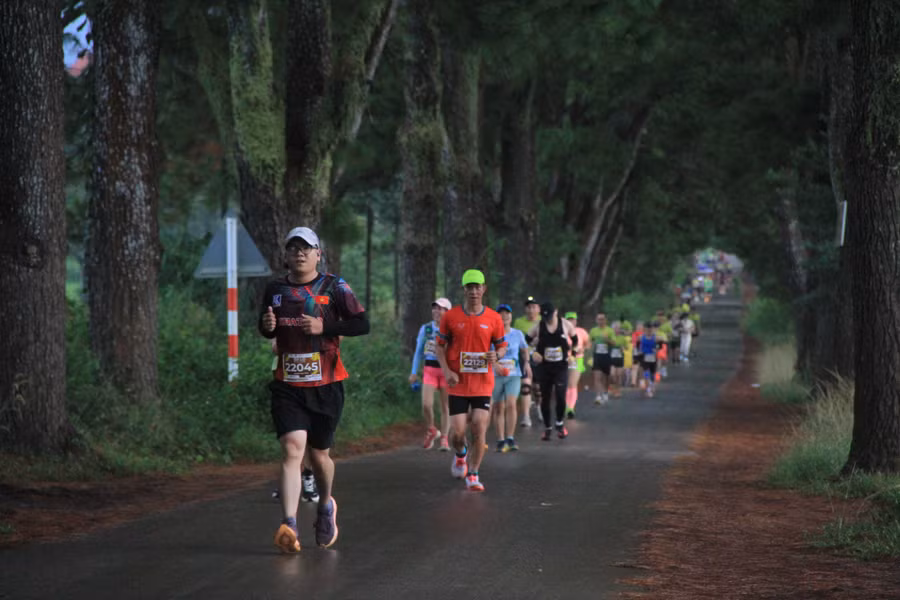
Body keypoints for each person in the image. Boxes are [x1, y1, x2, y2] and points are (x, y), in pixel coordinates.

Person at [260, 226, 370, 553]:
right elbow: (267, 328)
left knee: (320, 455)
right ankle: (289, 524)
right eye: (293, 248)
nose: (299, 253)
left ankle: (325, 505)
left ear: (318, 253)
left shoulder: (334, 287)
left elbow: (362, 325)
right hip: (288, 384)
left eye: (306, 248)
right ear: (286, 254)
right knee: (293, 448)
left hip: (327, 383)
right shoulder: (275, 289)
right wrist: (266, 329)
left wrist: (327, 326)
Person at [436, 269, 507, 492]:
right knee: (457, 433)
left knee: (478, 426)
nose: (474, 291)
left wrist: (498, 355)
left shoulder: (494, 318)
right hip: (457, 384)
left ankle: (473, 474)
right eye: (470, 287)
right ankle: (460, 454)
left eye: (478, 287)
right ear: (464, 290)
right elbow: (439, 346)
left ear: (484, 289)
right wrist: (447, 371)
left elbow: (502, 346)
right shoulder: (450, 317)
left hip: (482, 384)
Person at [528, 303, 577, 441]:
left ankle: (560, 424)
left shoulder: (566, 324)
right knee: (546, 397)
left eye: (549, 316)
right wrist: (533, 353)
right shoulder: (539, 325)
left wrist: (572, 353)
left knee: (561, 395)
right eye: (545, 317)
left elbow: (575, 340)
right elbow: (526, 340)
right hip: (545, 367)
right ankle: (548, 427)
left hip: (561, 366)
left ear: (556, 312)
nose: (547, 319)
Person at [409, 298, 453, 451]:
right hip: (429, 370)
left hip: (446, 371)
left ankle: (445, 438)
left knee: (445, 406)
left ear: (448, 312)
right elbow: (418, 352)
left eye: (441, 309)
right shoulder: (426, 328)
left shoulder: (452, 329)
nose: (437, 311)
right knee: (426, 404)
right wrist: (414, 372)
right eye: (435, 308)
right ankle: (432, 429)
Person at [491, 304, 531, 452]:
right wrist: (495, 365)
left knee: (511, 404)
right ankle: (501, 440)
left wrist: (526, 363)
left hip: (513, 374)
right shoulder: (492, 334)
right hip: (496, 375)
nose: (504, 316)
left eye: (507, 313)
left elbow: (525, 349)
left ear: (511, 316)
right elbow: (488, 353)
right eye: (501, 314)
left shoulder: (517, 334)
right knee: (498, 407)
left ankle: (510, 438)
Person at [513, 297, 541, 427]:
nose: (531, 310)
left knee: (538, 388)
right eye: (528, 307)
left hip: (539, 358)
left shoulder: (543, 321)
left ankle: (540, 407)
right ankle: (526, 416)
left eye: (533, 307)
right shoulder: (518, 322)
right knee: (526, 386)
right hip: (524, 358)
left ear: (538, 309)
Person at [564, 312, 590, 418]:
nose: (571, 322)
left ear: (576, 321)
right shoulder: (562, 332)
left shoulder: (581, 331)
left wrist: (582, 349)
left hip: (577, 359)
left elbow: (588, 343)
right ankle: (565, 405)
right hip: (563, 359)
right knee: (564, 383)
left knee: (572, 383)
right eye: (568, 320)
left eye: (573, 320)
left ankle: (570, 408)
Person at [590, 312, 615, 405]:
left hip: (606, 356)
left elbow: (614, 343)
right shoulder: (593, 331)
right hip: (597, 356)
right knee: (597, 376)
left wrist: (607, 339)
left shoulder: (609, 330)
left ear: (605, 320)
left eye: (602, 319)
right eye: (599, 319)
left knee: (606, 377)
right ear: (596, 320)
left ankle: (605, 392)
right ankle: (598, 396)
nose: (600, 321)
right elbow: (590, 342)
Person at [639, 322, 659, 397]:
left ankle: (652, 385)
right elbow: (639, 346)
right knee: (646, 373)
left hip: (653, 357)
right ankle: (648, 390)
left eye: (650, 330)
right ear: (645, 330)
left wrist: (656, 349)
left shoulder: (655, 337)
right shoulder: (642, 337)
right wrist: (640, 351)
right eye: (647, 330)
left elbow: (658, 346)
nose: (649, 331)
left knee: (652, 374)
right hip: (645, 357)